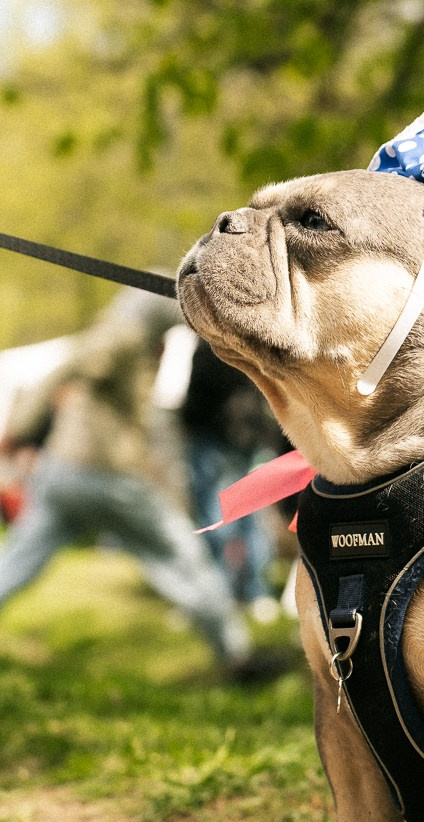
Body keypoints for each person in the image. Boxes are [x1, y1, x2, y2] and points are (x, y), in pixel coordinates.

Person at [0, 287, 264, 678]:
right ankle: (238, 657)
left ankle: (236, 652)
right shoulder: (123, 337)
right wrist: (19, 427)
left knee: (17, 562)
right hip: (106, 477)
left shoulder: (137, 343)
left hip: (63, 473)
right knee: (182, 556)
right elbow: (73, 364)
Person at [181, 338, 282, 618]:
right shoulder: (258, 341)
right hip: (250, 437)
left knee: (216, 520)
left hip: (218, 440)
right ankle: (252, 592)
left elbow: (197, 394)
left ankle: (223, 595)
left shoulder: (209, 344)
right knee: (249, 517)